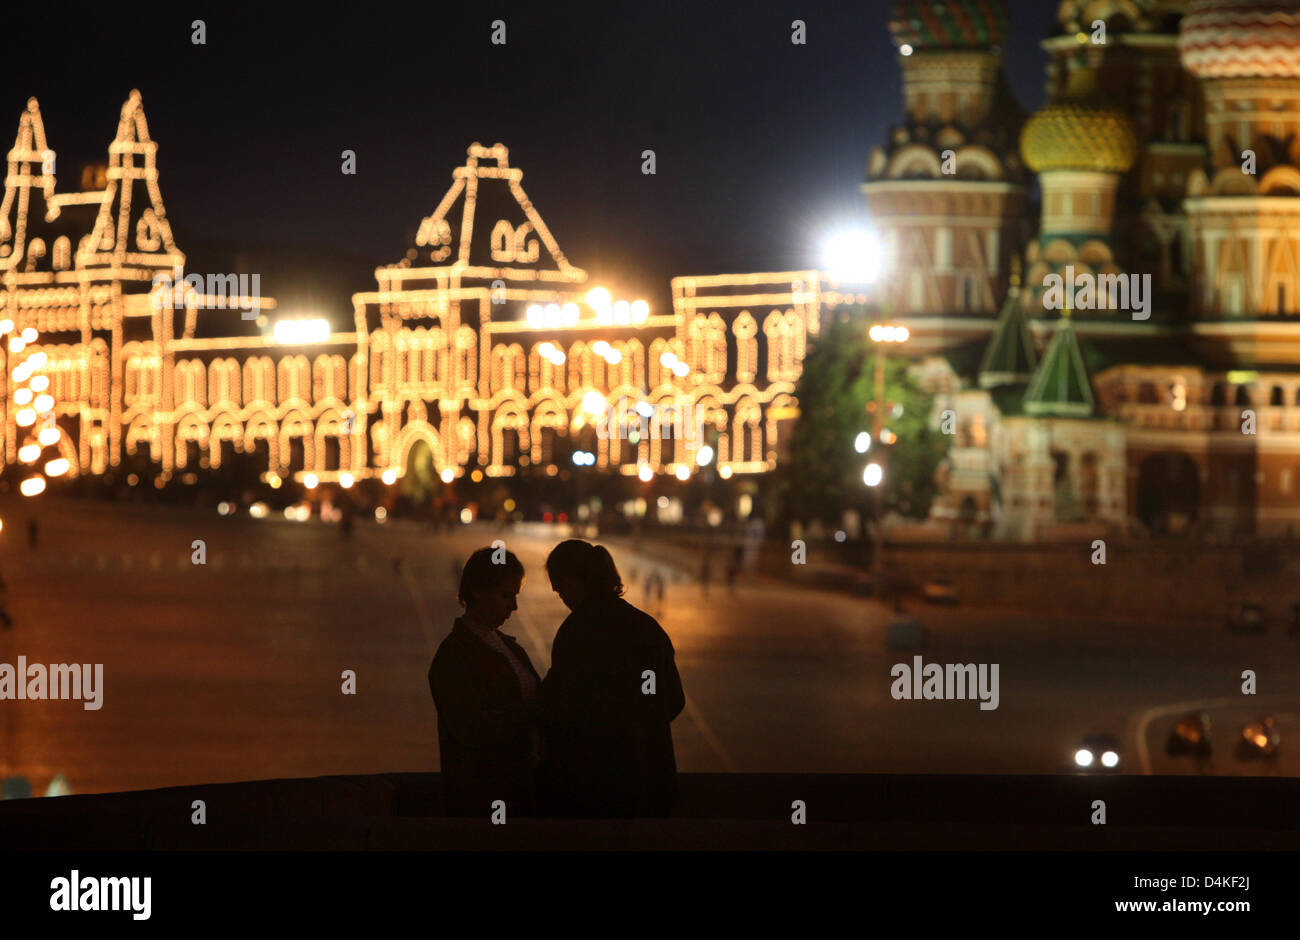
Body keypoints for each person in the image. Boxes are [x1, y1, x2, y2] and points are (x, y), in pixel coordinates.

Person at [539, 539, 685, 818]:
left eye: (560, 592)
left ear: (571, 583)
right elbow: (673, 700)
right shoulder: (646, 627)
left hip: (595, 788)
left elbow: (561, 704)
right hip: (649, 781)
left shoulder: (577, 632)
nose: (564, 601)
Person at [428, 547, 541, 817]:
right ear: (477, 592)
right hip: (482, 799)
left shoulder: (511, 649)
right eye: (505, 596)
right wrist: (532, 716)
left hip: (520, 792)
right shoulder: (454, 656)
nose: (513, 606)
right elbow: (471, 727)